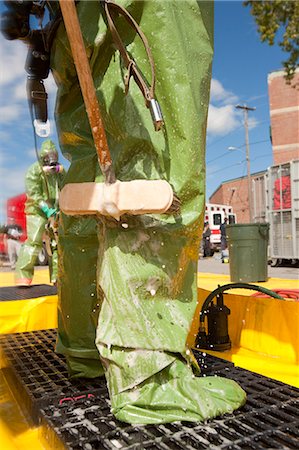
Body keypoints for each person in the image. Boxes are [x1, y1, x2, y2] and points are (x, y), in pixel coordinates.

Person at [48, 0, 245, 424]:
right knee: (162, 162)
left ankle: (86, 346)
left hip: (71, 20)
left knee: (88, 171)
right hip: (139, 9)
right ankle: (148, 379)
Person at [15, 140, 65, 287]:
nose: (52, 158)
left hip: (55, 211)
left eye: (54, 155)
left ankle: (57, 277)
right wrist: (45, 208)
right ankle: (23, 275)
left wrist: (61, 172)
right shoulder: (34, 171)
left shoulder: (57, 173)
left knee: (57, 244)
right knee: (34, 240)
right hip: (36, 211)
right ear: (42, 156)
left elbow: (66, 186)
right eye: (49, 155)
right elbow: (33, 193)